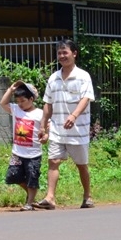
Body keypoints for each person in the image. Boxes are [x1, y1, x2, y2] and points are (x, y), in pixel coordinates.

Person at [36, 39, 95, 210]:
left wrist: (74, 115)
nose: (62, 56)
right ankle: (50, 198)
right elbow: (47, 103)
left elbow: (86, 98)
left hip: (79, 131)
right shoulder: (53, 78)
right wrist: (43, 126)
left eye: (65, 52)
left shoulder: (83, 76)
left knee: (81, 165)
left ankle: (87, 196)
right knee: (53, 161)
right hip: (57, 129)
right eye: (59, 53)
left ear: (74, 53)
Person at [0, 80, 43, 211]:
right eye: (18, 101)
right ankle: (31, 194)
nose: (20, 104)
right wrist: (11, 89)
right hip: (17, 152)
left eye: (23, 101)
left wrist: (46, 135)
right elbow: (3, 103)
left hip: (34, 153)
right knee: (13, 176)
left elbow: (47, 127)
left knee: (32, 177)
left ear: (31, 99)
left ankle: (29, 203)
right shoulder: (16, 110)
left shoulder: (39, 113)